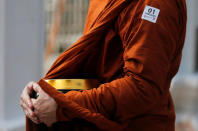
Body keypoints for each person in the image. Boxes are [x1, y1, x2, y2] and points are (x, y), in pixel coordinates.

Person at [20, 0, 187, 130]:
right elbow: (96, 72)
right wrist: (46, 90)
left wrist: (63, 107)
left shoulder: (155, 4)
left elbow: (142, 88)